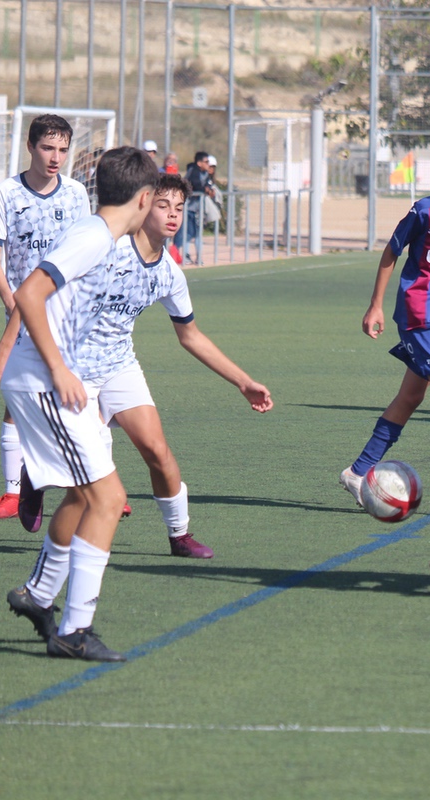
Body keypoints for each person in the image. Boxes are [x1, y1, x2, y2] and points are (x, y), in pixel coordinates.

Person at [2, 146, 160, 661]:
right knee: (107, 499)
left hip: (53, 383)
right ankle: (74, 631)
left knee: (84, 495)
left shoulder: (100, 236)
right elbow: (29, 293)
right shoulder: (93, 238)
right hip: (42, 383)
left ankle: (38, 594)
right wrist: (59, 369)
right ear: (144, 199)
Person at [69, 173, 273, 559]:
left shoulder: (169, 273)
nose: (173, 215)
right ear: (144, 204)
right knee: (92, 473)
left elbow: (191, 336)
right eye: (163, 205)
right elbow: (45, 289)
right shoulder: (107, 248)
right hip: (72, 369)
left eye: (179, 207)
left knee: (157, 451)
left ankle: (179, 535)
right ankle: (41, 491)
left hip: (118, 364)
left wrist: (243, 382)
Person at [338, 191, 430, 506]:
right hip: (419, 312)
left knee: (411, 396)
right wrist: (376, 305)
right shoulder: (426, 211)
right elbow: (393, 250)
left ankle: (357, 471)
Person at [0, 114, 91, 520]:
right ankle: (13, 492)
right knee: (18, 396)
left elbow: (85, 252)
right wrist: (13, 303)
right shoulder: (7, 193)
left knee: (85, 394)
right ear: (30, 147)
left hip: (69, 312)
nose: (55, 157)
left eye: (63, 149)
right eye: (48, 147)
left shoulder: (76, 193)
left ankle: (96, 485)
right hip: (22, 313)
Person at [175, 151, 214, 264]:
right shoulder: (193, 171)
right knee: (188, 233)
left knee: (197, 233)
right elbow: (195, 185)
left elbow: (208, 184)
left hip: (197, 209)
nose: (208, 164)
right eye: (206, 162)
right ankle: (185, 255)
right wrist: (205, 190)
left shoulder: (205, 173)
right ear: (199, 163)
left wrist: (209, 189)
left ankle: (198, 257)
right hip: (188, 208)